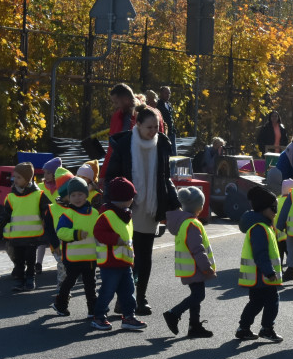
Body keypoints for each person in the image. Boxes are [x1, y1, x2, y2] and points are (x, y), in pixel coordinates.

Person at [104, 106, 181, 316]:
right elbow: (111, 176)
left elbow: (165, 177)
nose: (154, 131)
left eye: (156, 127)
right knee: (127, 256)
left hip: (151, 207)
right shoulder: (123, 144)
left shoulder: (162, 144)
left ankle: (141, 298)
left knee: (145, 257)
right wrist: (109, 202)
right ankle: (123, 299)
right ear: (137, 124)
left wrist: (174, 203)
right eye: (149, 127)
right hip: (127, 208)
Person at [91, 177, 146, 332]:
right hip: (110, 262)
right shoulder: (107, 215)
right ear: (123, 199)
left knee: (128, 291)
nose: (132, 200)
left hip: (124, 262)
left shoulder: (125, 214)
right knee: (107, 291)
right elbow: (98, 233)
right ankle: (99, 316)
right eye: (130, 197)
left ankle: (129, 316)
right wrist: (116, 240)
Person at [163, 186, 215, 338]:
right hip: (195, 267)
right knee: (199, 296)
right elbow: (197, 249)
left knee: (196, 295)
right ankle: (174, 313)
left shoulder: (183, 222)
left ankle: (194, 325)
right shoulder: (192, 224)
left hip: (189, 267)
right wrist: (206, 267)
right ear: (199, 207)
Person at [236, 186, 284, 342]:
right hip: (262, 275)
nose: (276, 211)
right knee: (272, 301)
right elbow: (260, 253)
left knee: (256, 302)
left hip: (258, 275)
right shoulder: (260, 228)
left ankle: (243, 328)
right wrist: (269, 272)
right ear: (264, 209)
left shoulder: (264, 226)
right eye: (273, 208)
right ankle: (267, 329)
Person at [0, 162, 47, 292]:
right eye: (14, 177)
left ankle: (30, 279)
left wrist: (45, 219)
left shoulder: (38, 195)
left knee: (31, 260)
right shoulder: (11, 196)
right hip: (16, 236)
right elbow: (5, 213)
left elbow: (46, 210)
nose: (15, 180)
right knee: (19, 260)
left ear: (28, 179)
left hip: (32, 235)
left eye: (18, 177)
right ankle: (19, 280)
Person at [52, 177, 102, 321]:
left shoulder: (94, 213)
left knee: (90, 284)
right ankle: (60, 304)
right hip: (72, 257)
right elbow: (60, 232)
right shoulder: (68, 214)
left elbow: (99, 231)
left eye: (80, 194)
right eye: (73, 195)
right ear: (68, 197)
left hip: (91, 257)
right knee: (69, 282)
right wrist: (76, 234)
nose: (77, 198)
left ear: (86, 194)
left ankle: (92, 310)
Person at [156, 86, 177, 154]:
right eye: (166, 93)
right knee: (166, 153)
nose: (168, 95)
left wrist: (174, 130)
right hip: (164, 133)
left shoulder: (169, 104)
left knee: (174, 153)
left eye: (169, 93)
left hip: (172, 133)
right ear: (161, 93)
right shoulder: (158, 105)